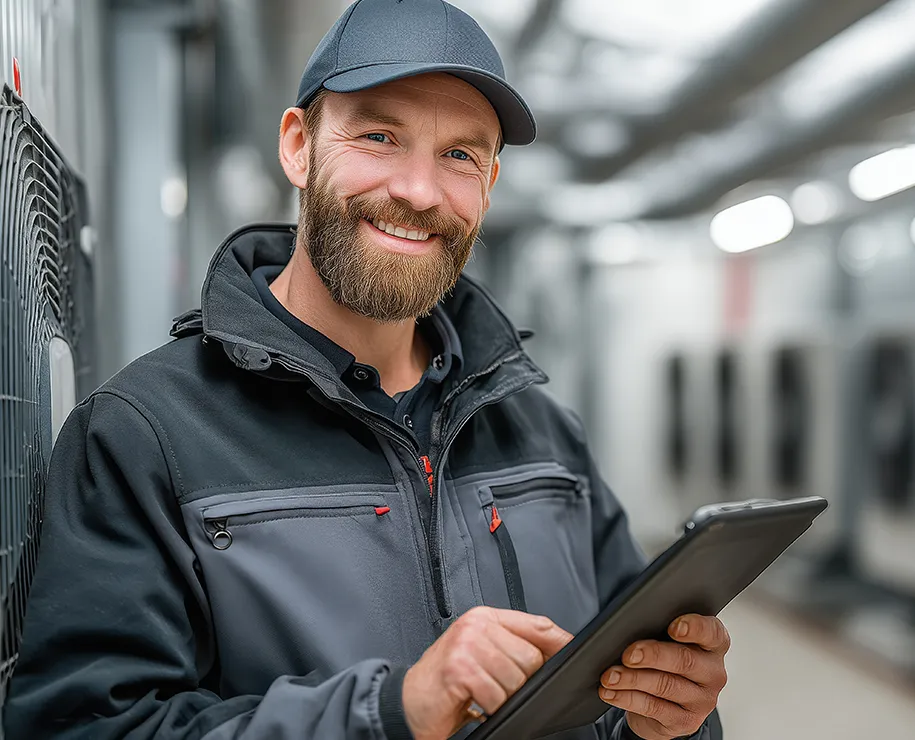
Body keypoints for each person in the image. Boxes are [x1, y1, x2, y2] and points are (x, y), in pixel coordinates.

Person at [3, 1, 729, 738]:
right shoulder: (146, 436)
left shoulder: (544, 436)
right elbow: (88, 728)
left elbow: (613, 687)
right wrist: (392, 713)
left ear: (488, 183)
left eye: (459, 156)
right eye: (379, 137)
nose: (419, 191)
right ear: (298, 147)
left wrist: (666, 721)